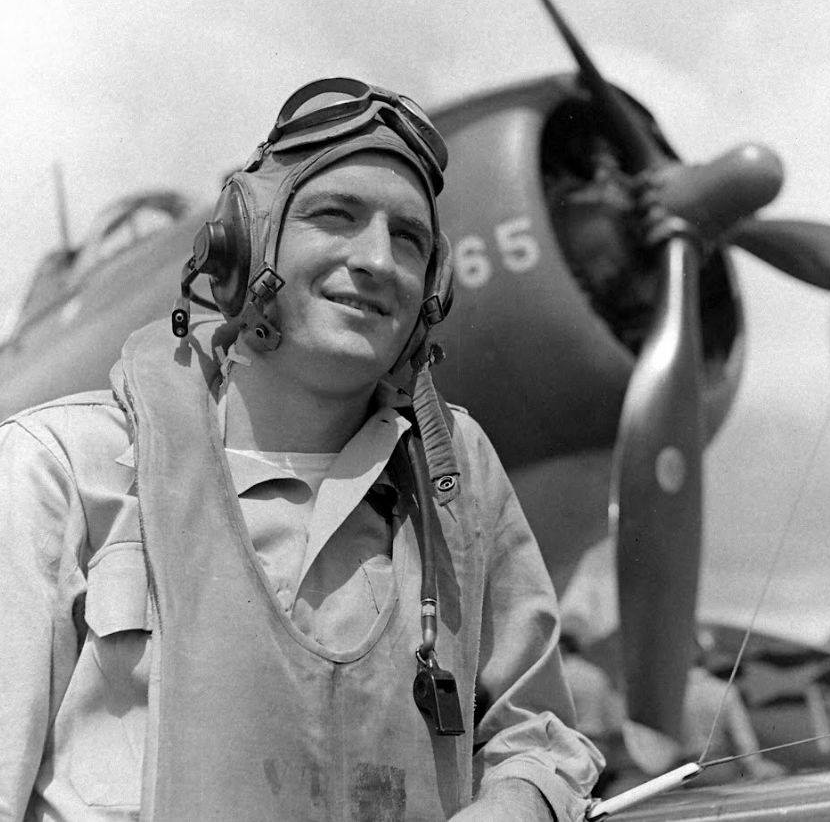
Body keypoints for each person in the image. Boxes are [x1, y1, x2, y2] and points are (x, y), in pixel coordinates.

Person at [0, 78, 602, 821]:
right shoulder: (58, 466)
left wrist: (515, 803)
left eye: (408, 239)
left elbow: (539, 737)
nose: (377, 259)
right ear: (243, 243)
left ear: (433, 288)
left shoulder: (457, 476)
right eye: (334, 216)